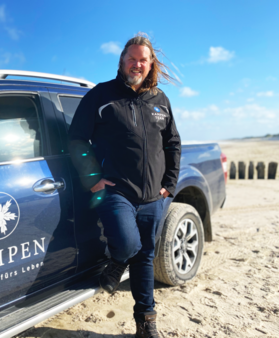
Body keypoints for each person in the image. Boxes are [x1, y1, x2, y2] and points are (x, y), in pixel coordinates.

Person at [68, 33, 181, 338]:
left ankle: (146, 323)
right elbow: (76, 138)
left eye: (142, 59)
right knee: (130, 246)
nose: (137, 64)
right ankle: (118, 262)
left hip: (153, 196)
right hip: (116, 191)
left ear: (150, 63)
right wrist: (92, 178)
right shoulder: (101, 95)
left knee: (145, 256)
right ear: (121, 62)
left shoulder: (160, 100)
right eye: (131, 58)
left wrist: (168, 185)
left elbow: (172, 143)